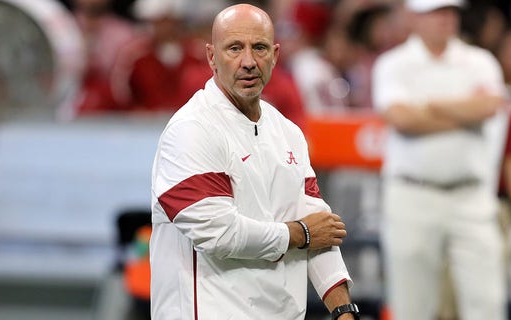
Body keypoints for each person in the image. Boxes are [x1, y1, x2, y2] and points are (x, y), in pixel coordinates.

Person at [149, 4, 359, 320]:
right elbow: (217, 233)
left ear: (274, 54)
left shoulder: (288, 132)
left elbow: (320, 228)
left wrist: (344, 310)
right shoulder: (190, 129)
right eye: (235, 48)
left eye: (258, 48)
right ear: (211, 57)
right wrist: (298, 233)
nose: (248, 62)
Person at [372, 0, 511, 319]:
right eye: (436, 12)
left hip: (471, 195)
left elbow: (491, 106)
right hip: (413, 193)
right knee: (412, 305)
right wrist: (466, 113)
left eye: (450, 11)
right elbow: (402, 118)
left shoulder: (480, 61)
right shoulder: (393, 63)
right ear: (414, 16)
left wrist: (430, 106)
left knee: (487, 303)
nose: (445, 19)